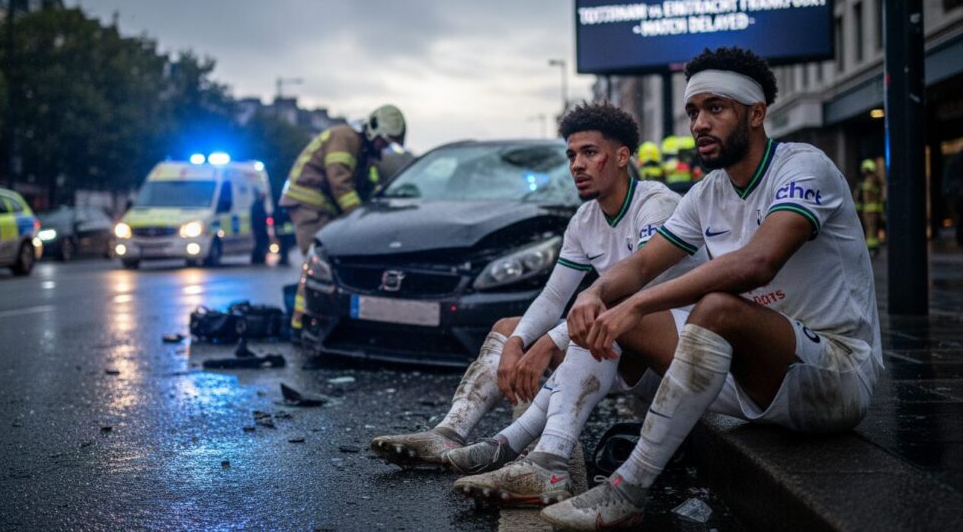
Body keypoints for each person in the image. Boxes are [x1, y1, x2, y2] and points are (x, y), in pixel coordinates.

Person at [539, 47, 883, 530]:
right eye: (693, 111)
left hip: (835, 378)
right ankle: (544, 459)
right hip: (751, 387)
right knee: (609, 303)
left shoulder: (804, 166)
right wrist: (594, 295)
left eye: (715, 108)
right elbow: (639, 265)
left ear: (757, 113)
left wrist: (637, 304)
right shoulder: (707, 192)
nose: (699, 123)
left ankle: (629, 488)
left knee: (717, 308)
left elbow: (759, 262)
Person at [370, 103, 703, 498]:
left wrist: (547, 343)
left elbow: (633, 297)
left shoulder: (656, 203)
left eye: (590, 153)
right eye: (571, 155)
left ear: (622, 156)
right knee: (509, 328)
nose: (577, 164)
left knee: (589, 323)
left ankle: (541, 459)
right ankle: (450, 432)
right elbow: (553, 296)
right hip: (625, 349)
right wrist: (517, 343)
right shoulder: (584, 220)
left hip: (679, 355)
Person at [280, 104, 406, 330]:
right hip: (309, 205)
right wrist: (359, 219)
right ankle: (300, 326)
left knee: (330, 263)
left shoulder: (365, 153)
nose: (384, 147)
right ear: (373, 130)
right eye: (384, 141)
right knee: (316, 262)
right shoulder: (345, 138)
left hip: (325, 208)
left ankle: (329, 320)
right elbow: (341, 184)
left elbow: (369, 187)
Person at [854, 158, 884, 257]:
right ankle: (872, 248)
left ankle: (871, 249)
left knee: (871, 230)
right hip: (869, 209)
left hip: (870, 210)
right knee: (871, 230)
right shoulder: (872, 180)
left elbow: (865, 196)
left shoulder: (870, 180)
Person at [250, 189, 270, 265]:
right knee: (260, 244)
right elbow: (260, 217)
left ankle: (260, 258)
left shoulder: (258, 205)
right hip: (259, 229)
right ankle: (258, 258)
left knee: (260, 244)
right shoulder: (258, 205)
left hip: (260, 229)